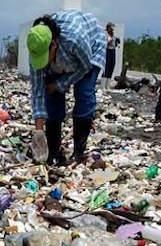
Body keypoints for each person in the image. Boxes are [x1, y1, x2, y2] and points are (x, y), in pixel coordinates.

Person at [26, 10, 107, 165]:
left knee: (83, 93)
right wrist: (39, 131)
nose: (42, 63)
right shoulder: (36, 47)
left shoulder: (75, 40)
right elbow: (38, 92)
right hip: (67, 59)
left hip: (91, 49)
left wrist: (59, 84)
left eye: (45, 57)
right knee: (51, 99)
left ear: (54, 45)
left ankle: (78, 152)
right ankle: (54, 151)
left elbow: (85, 67)